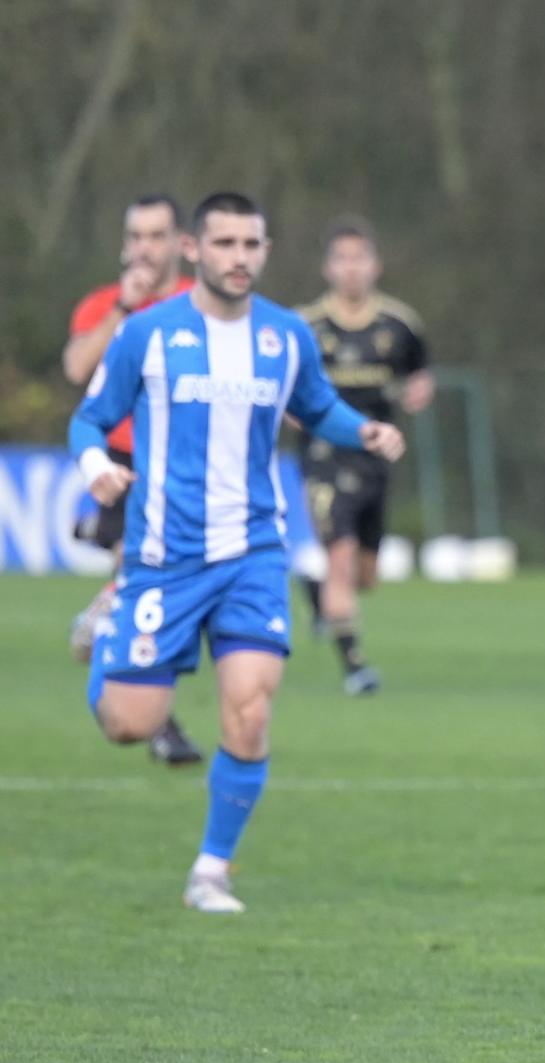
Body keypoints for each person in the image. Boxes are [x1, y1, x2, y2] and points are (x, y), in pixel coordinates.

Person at [70, 191, 404, 914]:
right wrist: (96, 466)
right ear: (194, 250)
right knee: (129, 722)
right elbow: (90, 419)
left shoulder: (285, 336)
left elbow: (317, 407)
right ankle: (107, 629)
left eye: (251, 245)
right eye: (224, 244)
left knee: (249, 714)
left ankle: (211, 870)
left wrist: (364, 431)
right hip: (165, 556)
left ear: (266, 251)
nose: (239, 258)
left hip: (254, 552)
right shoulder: (149, 334)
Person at [62, 192, 201, 766]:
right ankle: (158, 721)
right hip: (128, 466)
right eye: (136, 236)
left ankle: (106, 614)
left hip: (190, 467)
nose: (146, 247)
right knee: (146, 581)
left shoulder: (203, 302)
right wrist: (124, 307)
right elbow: (76, 369)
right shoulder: (103, 304)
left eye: (157, 235)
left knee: (163, 594)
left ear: (180, 244)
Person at [294, 216, 434, 694]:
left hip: (375, 461)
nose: (351, 269)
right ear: (327, 267)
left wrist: (418, 391)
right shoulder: (304, 327)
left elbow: (420, 373)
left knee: (365, 576)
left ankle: (316, 596)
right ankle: (355, 665)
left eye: (360, 258)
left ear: (375, 266)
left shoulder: (399, 324)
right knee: (340, 554)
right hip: (323, 455)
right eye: (342, 259)